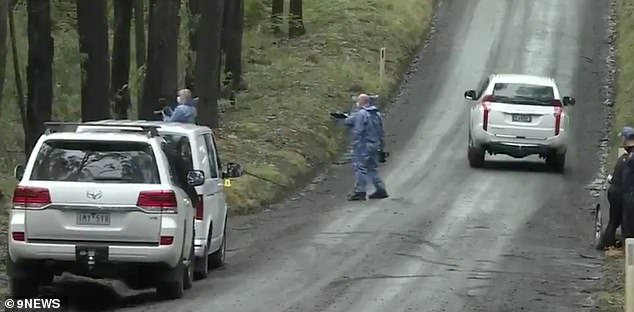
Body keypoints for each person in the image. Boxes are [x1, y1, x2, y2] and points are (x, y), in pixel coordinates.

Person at [344, 93, 388, 201]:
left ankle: (360, 191)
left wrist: (354, 145)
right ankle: (380, 189)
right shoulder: (376, 113)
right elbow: (381, 131)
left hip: (363, 145)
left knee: (360, 167)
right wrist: (381, 147)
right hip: (374, 144)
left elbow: (358, 131)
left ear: (360, 102)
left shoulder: (361, 114)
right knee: (372, 168)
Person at [597, 126, 634, 250]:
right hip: (620, 193)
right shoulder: (626, 159)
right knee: (618, 221)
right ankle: (609, 244)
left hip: (617, 192)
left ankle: (609, 244)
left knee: (615, 220)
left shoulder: (625, 158)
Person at [621, 131, 634, 241]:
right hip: (628, 191)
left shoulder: (630, 158)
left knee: (628, 221)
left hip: (630, 192)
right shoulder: (629, 157)